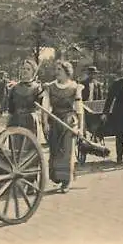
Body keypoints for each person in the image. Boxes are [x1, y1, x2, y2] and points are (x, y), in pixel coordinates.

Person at [42, 60, 84, 193]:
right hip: (54, 121)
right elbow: (45, 106)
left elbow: (79, 109)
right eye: (56, 70)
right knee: (55, 151)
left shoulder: (74, 87)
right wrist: (44, 123)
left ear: (67, 72)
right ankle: (57, 178)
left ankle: (67, 181)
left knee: (67, 152)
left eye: (59, 70)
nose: (56, 72)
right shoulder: (50, 87)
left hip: (69, 122)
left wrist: (80, 128)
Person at [7, 59, 44, 136]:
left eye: (28, 69)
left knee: (29, 146)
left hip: (30, 122)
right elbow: (11, 110)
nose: (25, 71)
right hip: (16, 121)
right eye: (23, 68)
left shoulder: (37, 88)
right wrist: (8, 124)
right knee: (16, 146)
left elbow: (41, 107)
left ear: (33, 72)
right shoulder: (14, 88)